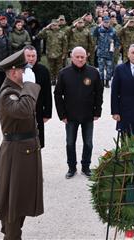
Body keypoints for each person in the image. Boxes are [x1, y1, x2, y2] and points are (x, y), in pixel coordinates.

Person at [0, 49, 44, 239]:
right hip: (16, 152)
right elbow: (24, 110)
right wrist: (30, 85)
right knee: (13, 200)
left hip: (25, 150)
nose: (25, 74)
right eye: (23, 71)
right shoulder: (8, 94)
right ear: (14, 72)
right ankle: (11, 235)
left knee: (20, 197)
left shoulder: (17, 90)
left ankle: (13, 233)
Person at [54, 47, 103, 179]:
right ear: (72, 57)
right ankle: (71, 168)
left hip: (88, 115)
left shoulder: (93, 72)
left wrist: (97, 111)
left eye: (82, 57)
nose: (80, 59)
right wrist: (62, 115)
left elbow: (99, 93)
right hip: (70, 116)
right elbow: (58, 95)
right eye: (77, 57)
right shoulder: (64, 73)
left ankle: (86, 167)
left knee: (88, 143)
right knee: (70, 143)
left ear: (86, 57)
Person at [24, 45, 52, 148]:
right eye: (28, 56)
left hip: (38, 109)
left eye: (33, 56)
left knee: (38, 140)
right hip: (22, 109)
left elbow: (47, 93)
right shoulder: (18, 70)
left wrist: (47, 113)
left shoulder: (43, 70)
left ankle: (37, 162)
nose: (31, 59)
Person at [93, 16, 120, 88]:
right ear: (102, 22)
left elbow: (117, 41)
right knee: (101, 69)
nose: (106, 23)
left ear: (109, 22)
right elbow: (93, 34)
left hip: (109, 53)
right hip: (101, 53)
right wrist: (97, 26)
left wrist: (114, 47)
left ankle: (107, 81)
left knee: (109, 69)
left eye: (107, 22)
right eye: (105, 22)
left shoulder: (113, 31)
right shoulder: (99, 30)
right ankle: (101, 82)